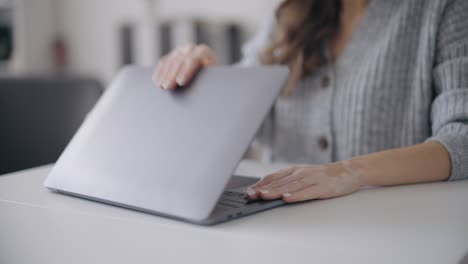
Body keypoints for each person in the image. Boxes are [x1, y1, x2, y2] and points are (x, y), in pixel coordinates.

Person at [153, 0, 468, 203]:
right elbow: (247, 114)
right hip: (282, 231)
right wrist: (205, 79)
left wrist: (348, 172)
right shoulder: (292, 14)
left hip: (391, 235)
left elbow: (461, 139)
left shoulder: (443, 9)